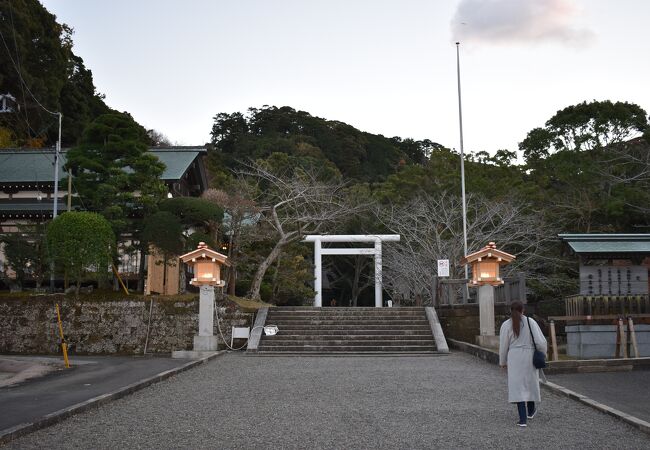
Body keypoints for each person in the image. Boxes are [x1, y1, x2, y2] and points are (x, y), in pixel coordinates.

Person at [499, 301, 547, 427]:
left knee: (518, 386)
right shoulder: (531, 322)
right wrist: (542, 354)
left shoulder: (506, 325)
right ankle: (531, 411)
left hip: (514, 357)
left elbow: (503, 345)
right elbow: (541, 342)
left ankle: (522, 419)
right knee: (530, 383)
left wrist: (502, 361)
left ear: (510, 310)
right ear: (523, 310)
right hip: (529, 355)